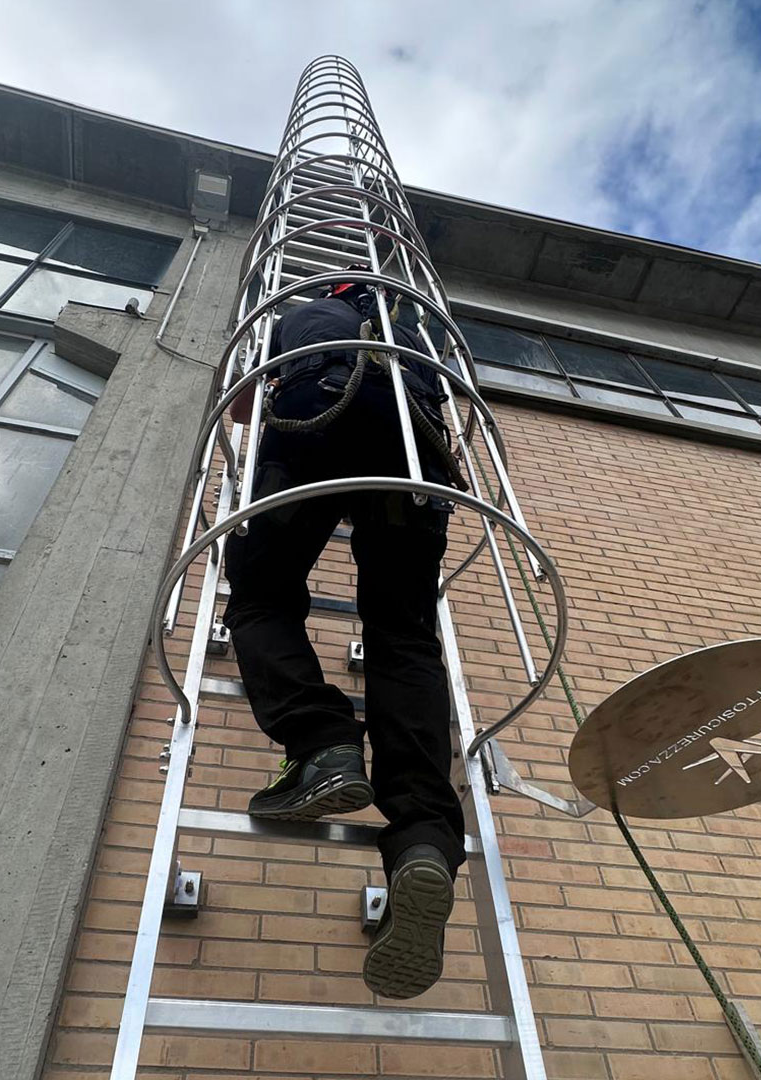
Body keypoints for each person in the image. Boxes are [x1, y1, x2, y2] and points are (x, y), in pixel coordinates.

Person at [223, 275, 466, 999]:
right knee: (405, 637)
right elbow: (452, 402)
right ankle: (423, 839)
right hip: (411, 443)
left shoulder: (295, 313)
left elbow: (245, 405)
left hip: (315, 420)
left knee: (262, 596)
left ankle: (323, 745)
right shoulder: (410, 328)